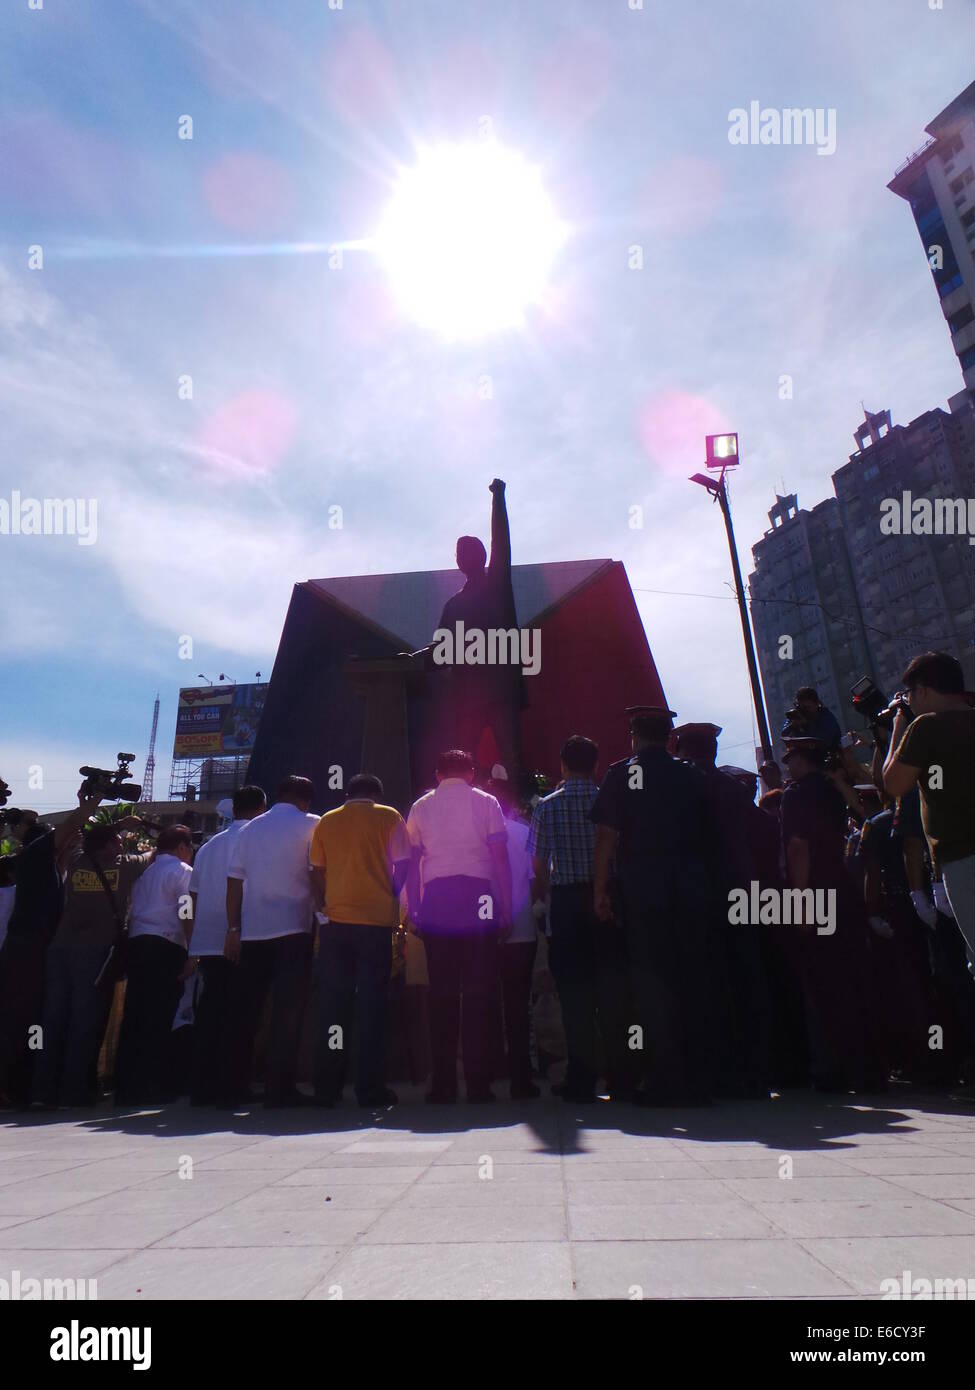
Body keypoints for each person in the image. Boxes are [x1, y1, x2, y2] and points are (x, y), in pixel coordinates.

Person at [592, 707, 716, 1106]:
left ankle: (665, 1080)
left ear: (633, 736)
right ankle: (700, 1078)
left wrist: (599, 891)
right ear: (668, 737)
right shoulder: (689, 773)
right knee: (694, 979)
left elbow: (606, 837)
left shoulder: (622, 774)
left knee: (652, 984)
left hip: (644, 888)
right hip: (692, 886)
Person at [529, 734, 631, 1102]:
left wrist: (543, 896)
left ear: (562, 764)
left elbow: (538, 865)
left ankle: (582, 1078)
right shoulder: (612, 800)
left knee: (574, 996)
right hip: (608, 900)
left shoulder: (546, 807)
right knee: (614, 990)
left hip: (568, 904)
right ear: (596, 764)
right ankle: (622, 1076)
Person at [406, 749, 511, 1103]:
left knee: (441, 994)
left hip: (437, 899)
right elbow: (499, 861)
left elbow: (412, 864)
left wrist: (415, 911)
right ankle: (479, 1084)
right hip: (478, 897)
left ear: (437, 774)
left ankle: (444, 1083)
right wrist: (506, 909)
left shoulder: (421, 807)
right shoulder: (487, 802)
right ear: (471, 773)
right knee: (479, 992)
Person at [673, 722, 771, 1099]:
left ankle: (716, 1071)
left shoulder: (681, 786)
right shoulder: (734, 788)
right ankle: (757, 1073)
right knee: (748, 981)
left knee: (706, 983)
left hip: (701, 894)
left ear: (682, 750)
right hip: (741, 891)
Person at [780, 737, 882, 1092]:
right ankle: (869, 1070)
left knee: (825, 986)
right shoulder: (832, 792)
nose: (786, 764)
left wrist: (801, 903)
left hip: (817, 893)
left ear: (800, 760)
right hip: (844, 888)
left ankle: (833, 1071)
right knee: (856, 979)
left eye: (790, 758)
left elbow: (798, 849)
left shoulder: (794, 795)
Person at [33, 816, 151, 1109]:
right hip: (96, 954)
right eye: (118, 841)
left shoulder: (76, 861)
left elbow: (73, 837)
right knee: (83, 1024)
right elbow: (157, 853)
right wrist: (135, 827)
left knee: (52, 1021)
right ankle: (72, 1094)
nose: (122, 844)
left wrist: (117, 825)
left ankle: (40, 1093)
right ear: (111, 846)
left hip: (60, 950)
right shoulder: (125, 865)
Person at [0, 785, 105, 1108]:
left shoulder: (54, 869)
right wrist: (90, 804)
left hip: (40, 951)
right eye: (66, 841)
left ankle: (24, 1087)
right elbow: (69, 827)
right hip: (24, 951)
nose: (73, 842)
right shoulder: (35, 858)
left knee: (33, 1019)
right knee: (17, 1019)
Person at [309, 773, 411, 1108]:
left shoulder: (327, 821)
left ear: (348, 793)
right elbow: (404, 864)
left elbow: (315, 870)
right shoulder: (389, 816)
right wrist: (392, 892)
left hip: (336, 925)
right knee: (371, 1007)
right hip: (376, 924)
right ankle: (369, 1088)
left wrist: (325, 903)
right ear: (377, 794)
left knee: (333, 1008)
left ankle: (327, 1087)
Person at [222, 775, 318, 1108]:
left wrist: (233, 929)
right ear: (305, 801)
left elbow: (234, 883)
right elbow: (318, 873)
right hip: (293, 928)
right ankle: (280, 1088)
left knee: (246, 1013)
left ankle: (235, 1086)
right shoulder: (313, 824)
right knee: (287, 1013)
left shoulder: (249, 830)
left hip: (252, 933)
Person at [883, 651, 975, 962]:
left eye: (909, 695)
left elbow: (893, 783)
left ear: (923, 690)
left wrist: (898, 726)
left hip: (963, 858)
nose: (909, 703)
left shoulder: (926, 727)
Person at [436, 478, 522, 781]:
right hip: (468, 697)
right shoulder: (453, 605)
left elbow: (502, 543)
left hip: (500, 692)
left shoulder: (496, 585)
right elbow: (438, 653)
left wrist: (498, 498)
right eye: (458, 553)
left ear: (482, 556)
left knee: (513, 760)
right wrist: (410, 659)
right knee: (461, 764)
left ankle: (522, 807)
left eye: (467, 551)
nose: (461, 557)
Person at [186, 784, 267, 1105]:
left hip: (208, 941)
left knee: (210, 1013)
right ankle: (234, 1085)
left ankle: (203, 1086)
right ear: (262, 807)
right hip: (242, 936)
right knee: (242, 1015)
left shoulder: (207, 847)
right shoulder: (258, 840)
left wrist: (193, 939)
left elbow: (191, 896)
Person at [115, 825, 194, 1106]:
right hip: (165, 945)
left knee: (135, 1015)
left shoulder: (145, 873)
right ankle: (151, 1084)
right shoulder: (182, 872)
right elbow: (186, 910)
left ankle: (126, 1085)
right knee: (159, 1017)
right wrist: (192, 952)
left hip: (138, 944)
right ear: (182, 846)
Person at [489, 768, 542, 1100]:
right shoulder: (524, 833)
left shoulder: (479, 835)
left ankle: (490, 1068)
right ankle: (521, 1077)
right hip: (522, 930)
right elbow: (537, 879)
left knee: (485, 1001)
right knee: (518, 1004)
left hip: (485, 929)